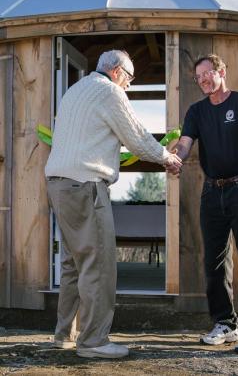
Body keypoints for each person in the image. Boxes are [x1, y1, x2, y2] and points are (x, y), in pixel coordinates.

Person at [45, 49, 182, 359]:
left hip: (58, 184)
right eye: (130, 79)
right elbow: (137, 137)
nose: (130, 87)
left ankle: (65, 333)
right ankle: (93, 342)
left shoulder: (75, 90)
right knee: (99, 263)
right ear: (118, 71)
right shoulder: (109, 93)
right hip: (85, 185)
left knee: (72, 263)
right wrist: (167, 158)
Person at [167, 54, 238, 354]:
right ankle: (225, 324)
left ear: (221, 72)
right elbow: (185, 144)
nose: (202, 79)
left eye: (207, 73)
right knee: (214, 261)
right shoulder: (197, 111)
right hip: (212, 192)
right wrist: (175, 159)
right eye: (198, 76)